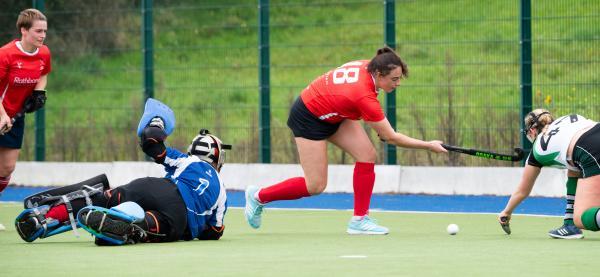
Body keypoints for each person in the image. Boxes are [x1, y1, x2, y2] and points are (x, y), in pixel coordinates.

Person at [244, 46, 447, 235]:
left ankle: (359, 220)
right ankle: (258, 196)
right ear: (379, 74)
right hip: (308, 117)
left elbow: (349, 100)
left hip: (334, 113)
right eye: (394, 79)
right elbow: (390, 137)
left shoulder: (370, 67)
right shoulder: (364, 96)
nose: (398, 83)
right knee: (315, 186)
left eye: (399, 78)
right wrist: (428, 145)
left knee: (367, 155)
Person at [15, 119, 230, 245]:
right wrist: (198, 229)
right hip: (179, 218)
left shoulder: (187, 160)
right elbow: (215, 232)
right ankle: (130, 225)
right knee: (148, 224)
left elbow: (152, 145)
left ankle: (45, 218)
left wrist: (156, 124)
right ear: (217, 157)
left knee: (103, 197)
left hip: (156, 188)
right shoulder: (221, 190)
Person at [498, 109, 600, 239]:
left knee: (580, 217)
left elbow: (522, 191)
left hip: (589, 149)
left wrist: (506, 212)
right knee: (574, 169)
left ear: (532, 131)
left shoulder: (537, 149)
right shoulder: (565, 121)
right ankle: (569, 226)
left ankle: (573, 224)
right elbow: (574, 169)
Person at [0, 8, 50, 193]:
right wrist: (3, 115)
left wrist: (39, 93)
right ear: (24, 30)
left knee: (6, 168)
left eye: (45, 31)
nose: (43, 35)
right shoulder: (6, 54)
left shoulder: (43, 53)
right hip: (1, 112)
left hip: (16, 116)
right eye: (38, 31)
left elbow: (43, 73)